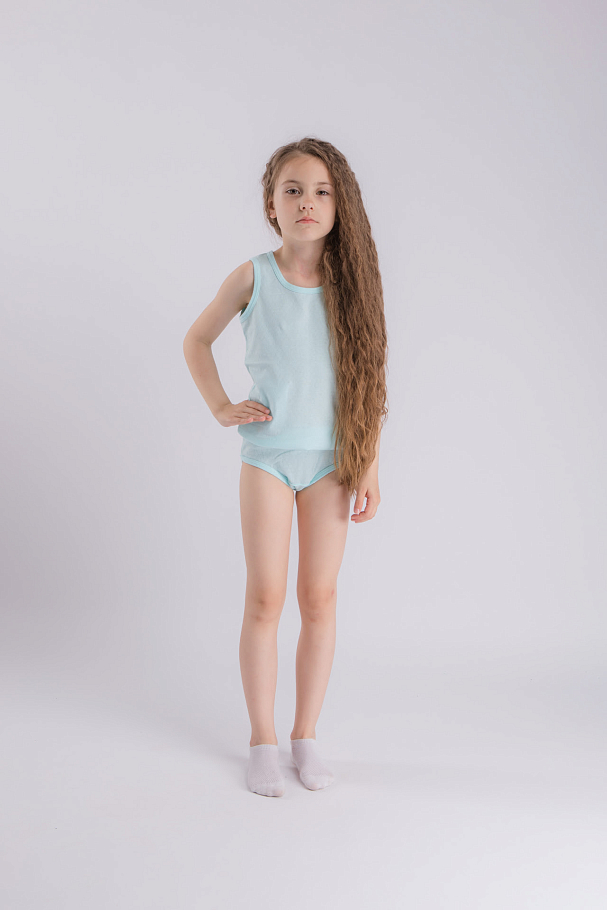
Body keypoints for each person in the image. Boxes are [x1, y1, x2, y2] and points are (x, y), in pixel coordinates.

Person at [183, 137, 389, 797]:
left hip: (332, 463)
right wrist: (221, 405)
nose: (307, 202)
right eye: (292, 190)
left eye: (321, 192)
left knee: (318, 598)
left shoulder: (354, 287)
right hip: (267, 460)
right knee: (265, 596)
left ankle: (305, 736)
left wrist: (369, 463)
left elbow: (369, 380)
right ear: (271, 205)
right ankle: (262, 741)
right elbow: (196, 339)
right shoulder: (253, 276)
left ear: (339, 205)